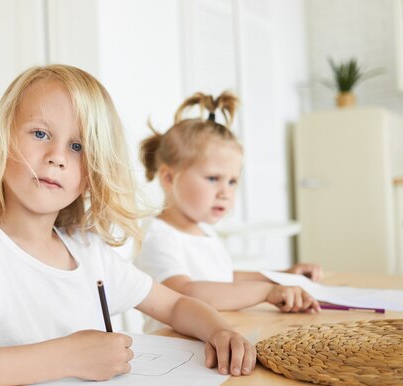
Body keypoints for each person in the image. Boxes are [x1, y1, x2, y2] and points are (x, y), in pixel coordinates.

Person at [0, 66, 256, 386]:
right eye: (40, 134)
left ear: (91, 172)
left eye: (78, 147)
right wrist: (66, 356)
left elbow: (175, 305)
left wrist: (219, 331)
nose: (57, 157)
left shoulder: (87, 249)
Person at [134, 91, 322, 333]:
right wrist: (266, 292)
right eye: (213, 178)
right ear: (169, 178)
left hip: (213, 338)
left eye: (232, 181)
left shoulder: (203, 230)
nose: (226, 192)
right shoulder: (159, 236)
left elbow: (222, 278)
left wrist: (282, 276)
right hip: (173, 349)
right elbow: (185, 292)